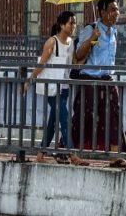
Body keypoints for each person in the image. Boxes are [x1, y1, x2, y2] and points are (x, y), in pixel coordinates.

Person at [22, 10, 88, 166]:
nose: (73, 26)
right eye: (71, 23)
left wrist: (89, 47)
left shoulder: (71, 43)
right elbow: (42, 64)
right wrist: (29, 80)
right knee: (64, 119)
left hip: (63, 87)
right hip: (51, 88)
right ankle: (72, 155)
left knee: (53, 121)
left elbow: (74, 64)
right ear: (61, 24)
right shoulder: (52, 42)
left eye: (75, 23)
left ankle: (40, 153)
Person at [71, 0, 126, 167]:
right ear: (102, 12)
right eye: (112, 9)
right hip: (90, 78)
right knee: (84, 115)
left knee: (113, 115)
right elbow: (79, 55)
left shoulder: (114, 32)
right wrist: (93, 38)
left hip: (107, 78)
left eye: (117, 10)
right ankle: (71, 152)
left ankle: (114, 154)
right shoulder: (91, 29)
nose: (116, 13)